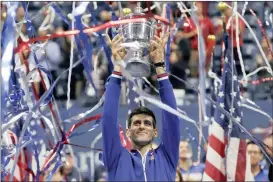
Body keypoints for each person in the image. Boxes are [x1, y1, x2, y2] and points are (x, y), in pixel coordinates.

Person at [102, 32, 180, 181]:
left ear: (155, 132)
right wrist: (118, 66)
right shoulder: (116, 159)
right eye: (136, 123)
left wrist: (159, 66)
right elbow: (108, 120)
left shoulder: (166, 157)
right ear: (128, 132)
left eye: (147, 123)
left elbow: (172, 118)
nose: (142, 126)